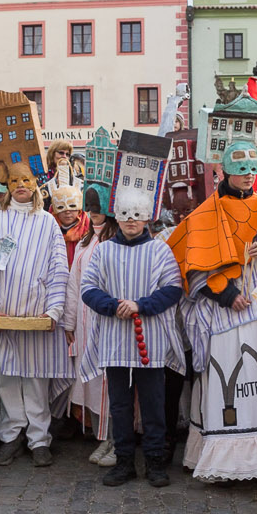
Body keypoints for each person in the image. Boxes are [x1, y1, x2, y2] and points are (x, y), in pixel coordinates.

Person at [166, 141, 257, 481]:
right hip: (224, 316)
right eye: (240, 171)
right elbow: (191, 264)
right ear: (225, 172)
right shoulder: (205, 214)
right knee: (227, 376)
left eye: (251, 171)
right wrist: (225, 294)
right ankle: (227, 459)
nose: (247, 177)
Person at [79, 196, 185, 488]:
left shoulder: (159, 251)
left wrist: (141, 305)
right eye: (125, 214)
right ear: (118, 216)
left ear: (146, 218)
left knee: (153, 403)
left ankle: (154, 461)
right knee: (120, 404)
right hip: (115, 337)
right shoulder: (103, 252)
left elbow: (173, 288)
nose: (130, 220)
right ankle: (124, 461)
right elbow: (88, 288)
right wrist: (114, 306)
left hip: (148, 337)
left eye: (137, 214)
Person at [0, 161, 72, 467]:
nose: (20, 185)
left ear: (35, 184)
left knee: (35, 380)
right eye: (14, 180)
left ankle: (39, 438)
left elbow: (58, 268)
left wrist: (54, 309)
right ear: (7, 185)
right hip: (4, 313)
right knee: (7, 379)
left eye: (26, 180)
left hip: (37, 313)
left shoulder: (47, 223)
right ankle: (10, 435)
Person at [63, 185, 113, 463]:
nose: (94, 214)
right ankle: (102, 437)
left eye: (98, 208)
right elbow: (73, 283)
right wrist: (69, 321)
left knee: (110, 382)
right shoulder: (85, 240)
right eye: (91, 209)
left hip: (106, 322)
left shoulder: (114, 240)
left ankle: (116, 439)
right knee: (91, 381)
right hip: (84, 324)